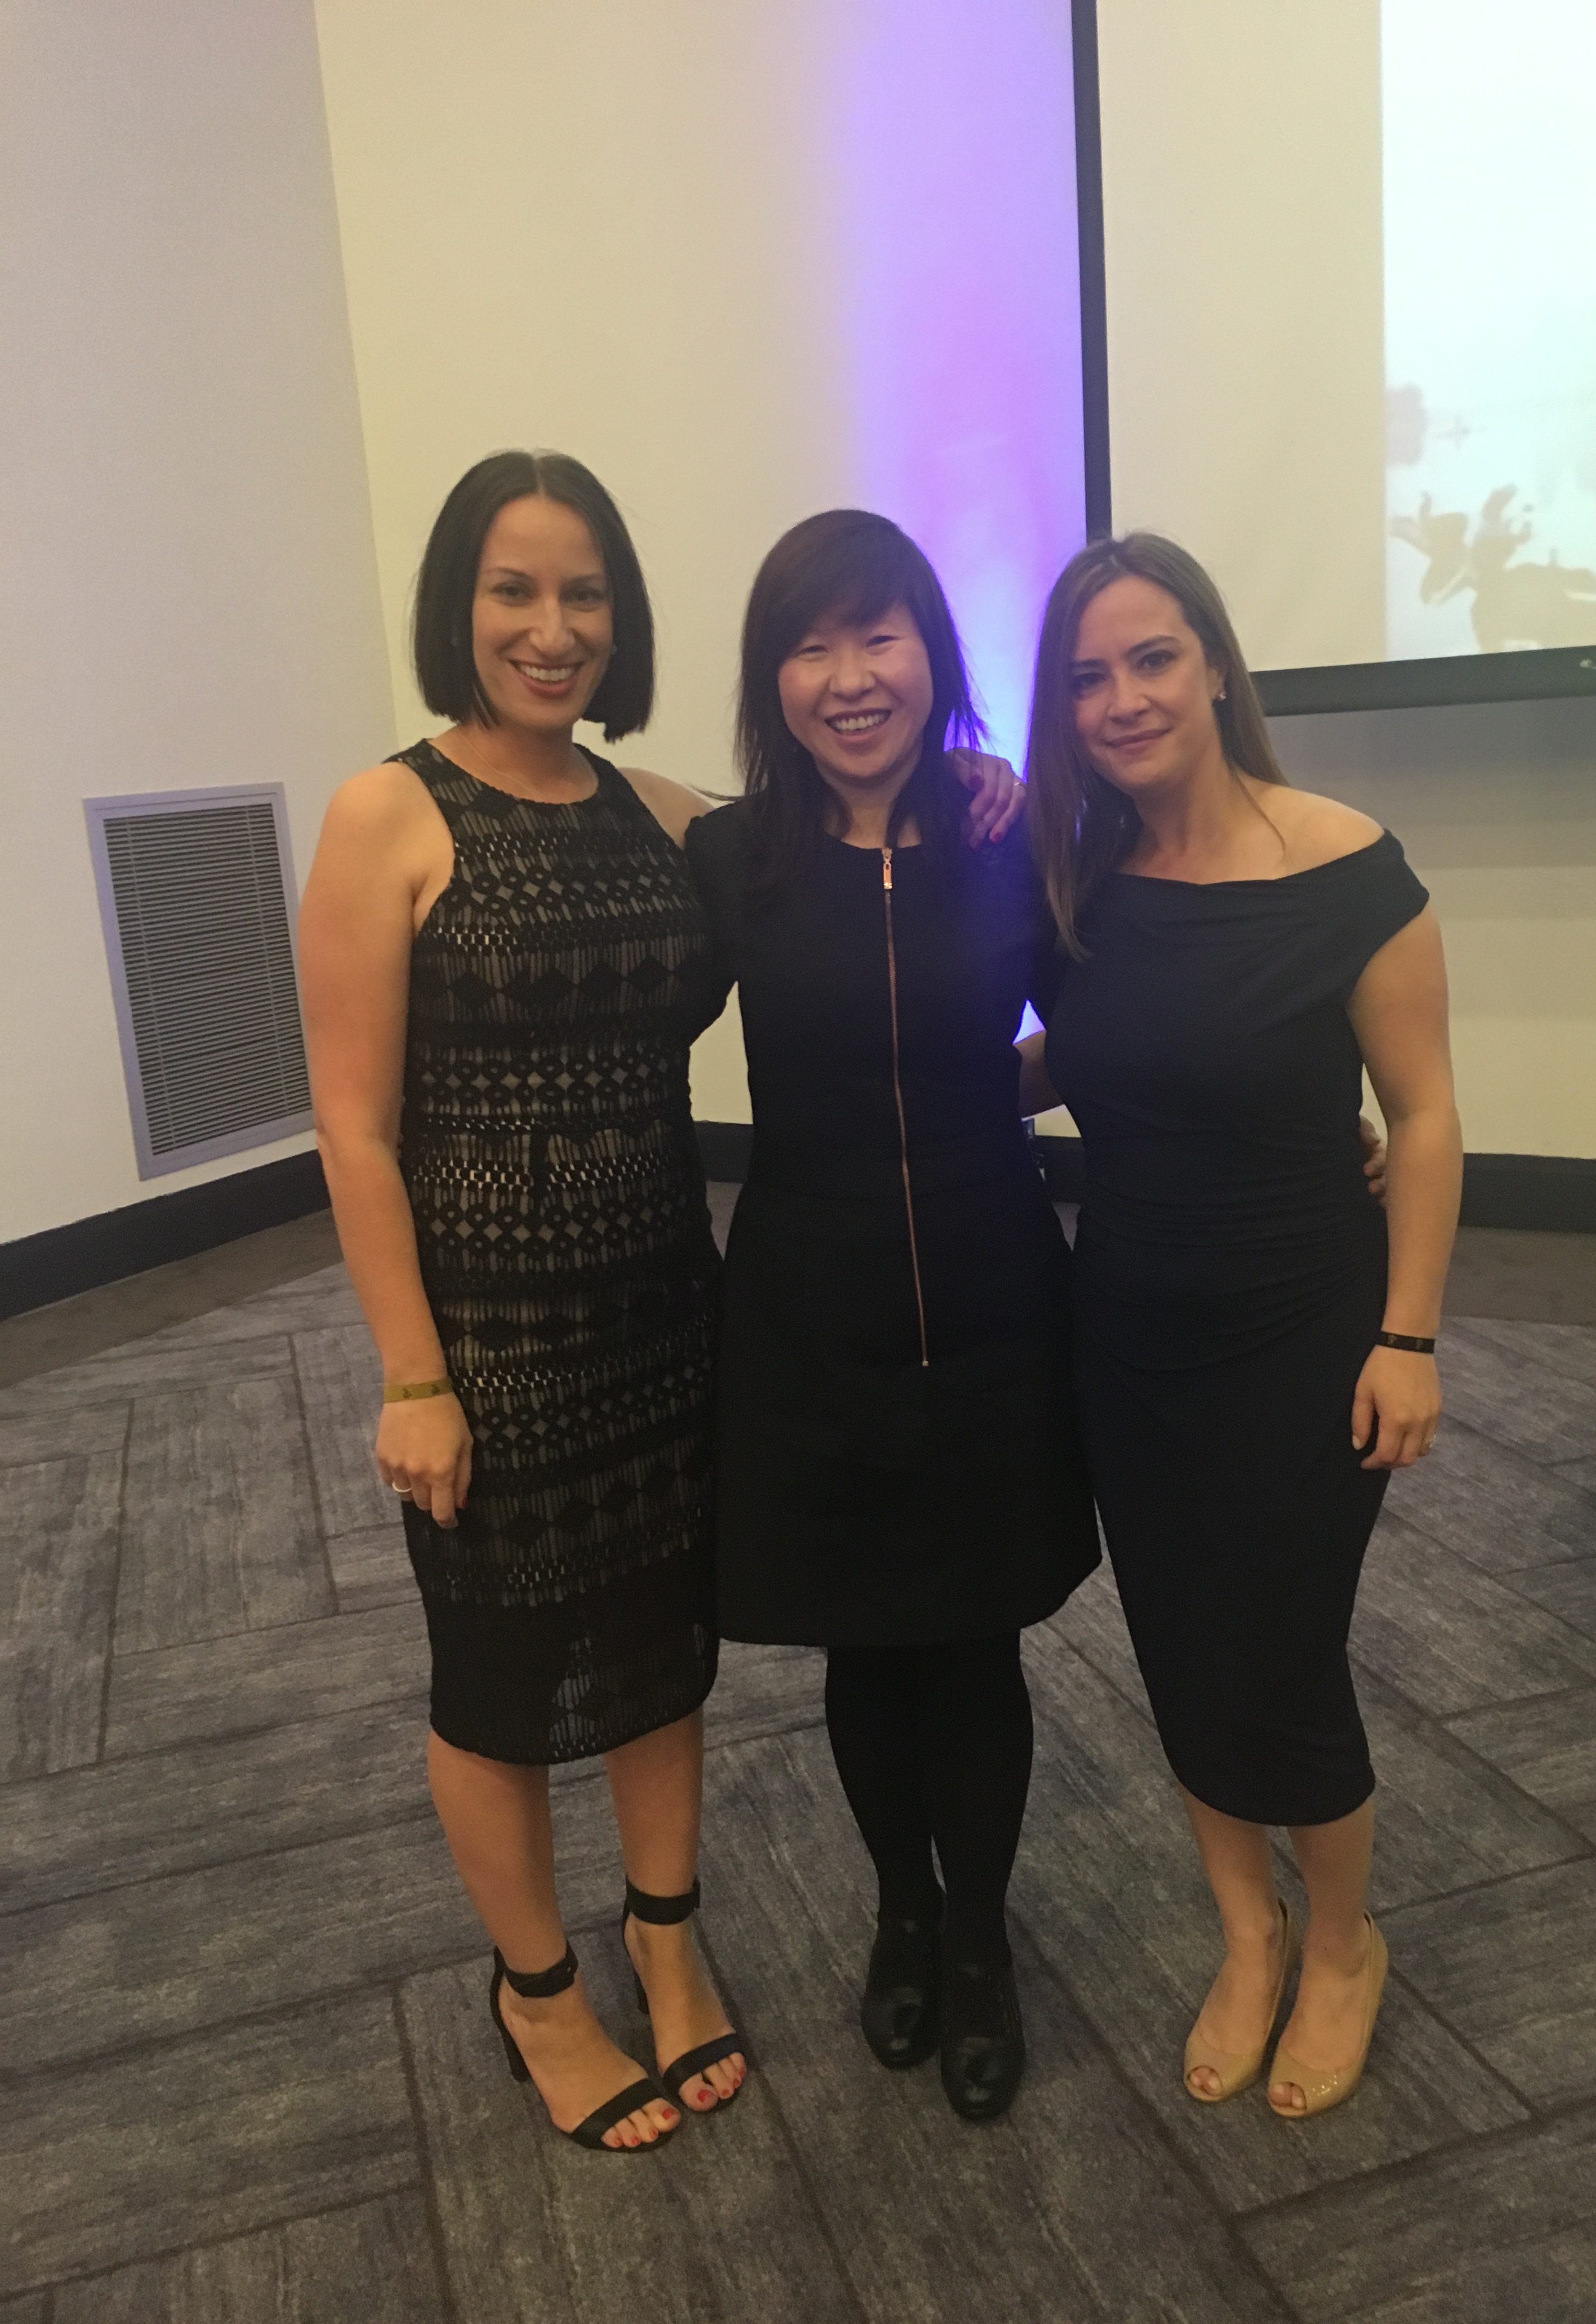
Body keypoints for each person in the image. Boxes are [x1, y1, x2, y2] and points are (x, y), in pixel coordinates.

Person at [300, 451, 1020, 2156]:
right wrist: (414, 1374)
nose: (552, 631)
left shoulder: (656, 814)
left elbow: (826, 835)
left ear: (622, 625)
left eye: (586, 598)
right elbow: (350, 1122)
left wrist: (980, 785)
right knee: (496, 1671)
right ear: (457, 610)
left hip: (661, 1306)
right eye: (514, 592)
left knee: (654, 1651)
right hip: (486, 1329)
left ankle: (671, 1945)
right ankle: (539, 1996)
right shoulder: (387, 813)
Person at [1023, 532, 1461, 2121]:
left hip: (1307, 1332)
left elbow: (1421, 1118)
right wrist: (937, 1088)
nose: (1123, 697)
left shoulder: (1347, 863)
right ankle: (1247, 1933)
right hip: (1128, 1330)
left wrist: (1408, 1338)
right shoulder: (1077, 883)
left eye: (1150, 658)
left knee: (1279, 1654)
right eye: (1087, 677)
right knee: (1180, 1642)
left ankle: (1343, 1944)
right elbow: (1094, 1049)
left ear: (1214, 662)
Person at [684, 510, 1102, 2124]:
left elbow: (1107, 1015)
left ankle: (982, 1934)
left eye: (881, 637)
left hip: (997, 1294)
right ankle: (903, 1914)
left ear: (934, 649)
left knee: (975, 1636)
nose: (850, 677)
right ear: (769, 674)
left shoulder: (1005, 833)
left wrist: (1300, 1113)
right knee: (865, 1642)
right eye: (810, 643)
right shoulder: (734, 860)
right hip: (810, 1312)